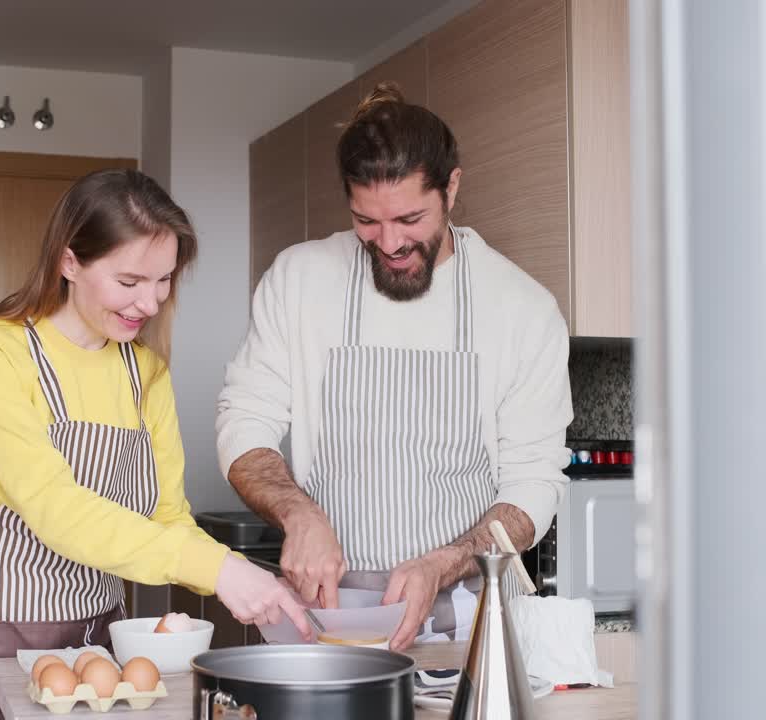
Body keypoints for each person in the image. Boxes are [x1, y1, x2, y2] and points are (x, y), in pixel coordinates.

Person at [0, 169, 309, 720]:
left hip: (97, 626)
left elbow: (168, 516)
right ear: (69, 262)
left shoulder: (145, 373)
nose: (149, 302)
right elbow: (54, 506)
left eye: (164, 280)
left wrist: (246, 578)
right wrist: (220, 570)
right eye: (129, 282)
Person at [216, 84, 573, 650]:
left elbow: (533, 482)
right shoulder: (299, 280)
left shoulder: (522, 308)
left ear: (452, 187)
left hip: (466, 618)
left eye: (410, 218)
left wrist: (447, 561)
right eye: (367, 221)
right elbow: (245, 423)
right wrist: (298, 513)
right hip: (326, 618)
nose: (389, 243)